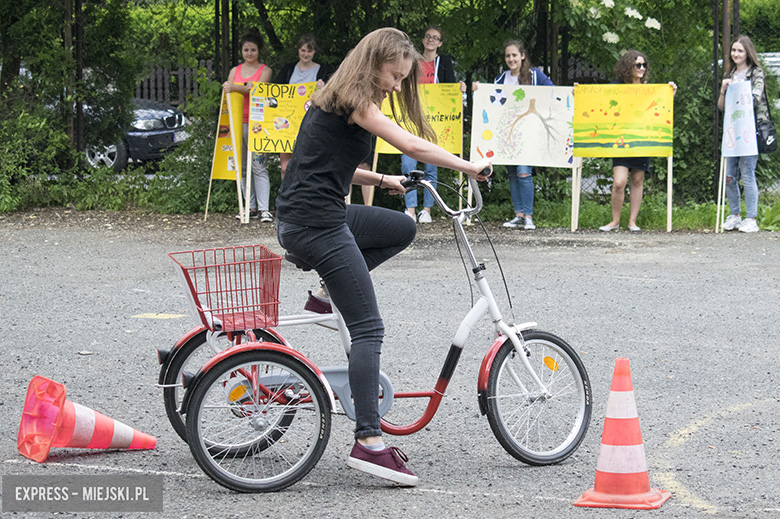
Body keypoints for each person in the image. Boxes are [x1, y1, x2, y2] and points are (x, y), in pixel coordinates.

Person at [275, 27, 491, 486]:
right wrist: (469, 165)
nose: (396, 86)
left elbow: (325, 164)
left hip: (310, 215)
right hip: (316, 225)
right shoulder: (356, 101)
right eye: (394, 76)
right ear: (373, 64)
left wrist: (381, 181)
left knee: (402, 226)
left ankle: (321, 293)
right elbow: (411, 146)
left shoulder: (330, 97)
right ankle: (369, 441)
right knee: (369, 327)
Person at [475, 39, 552, 230]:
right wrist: (477, 90)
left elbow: (553, 91)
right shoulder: (500, 80)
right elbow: (490, 102)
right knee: (512, 174)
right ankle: (518, 215)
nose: (511, 59)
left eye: (514, 55)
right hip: (507, 133)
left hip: (529, 133)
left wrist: (573, 92)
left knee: (524, 172)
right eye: (508, 55)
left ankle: (528, 217)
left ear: (522, 56)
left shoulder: (535, 76)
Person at [599, 50, 677, 232]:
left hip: (642, 139)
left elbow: (659, 109)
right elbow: (599, 102)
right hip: (621, 141)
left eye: (644, 65)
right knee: (619, 182)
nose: (642, 68)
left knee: (637, 179)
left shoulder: (649, 89)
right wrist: (578, 93)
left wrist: (669, 93)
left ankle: (632, 222)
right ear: (628, 67)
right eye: (638, 65)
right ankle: (615, 221)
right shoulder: (616, 87)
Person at [401, 25, 465, 224]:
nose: (430, 40)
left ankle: (427, 210)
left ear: (440, 43)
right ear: (422, 40)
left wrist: (459, 89)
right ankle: (410, 208)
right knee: (407, 163)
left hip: (434, 122)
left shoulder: (443, 62)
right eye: (428, 36)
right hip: (412, 118)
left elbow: (450, 90)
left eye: (435, 38)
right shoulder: (412, 62)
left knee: (431, 166)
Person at [717, 35, 768, 233]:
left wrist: (739, 91)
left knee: (747, 173)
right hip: (732, 131)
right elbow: (722, 107)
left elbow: (755, 98)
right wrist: (723, 89)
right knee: (729, 176)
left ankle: (751, 218)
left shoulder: (756, 73)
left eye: (740, 50)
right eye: (733, 50)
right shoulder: (730, 74)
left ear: (747, 52)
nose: (735, 54)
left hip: (749, 130)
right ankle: (735, 215)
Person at [223, 28, 274, 222]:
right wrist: (242, 88)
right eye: (246, 50)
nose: (249, 53)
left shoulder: (265, 71)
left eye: (253, 50)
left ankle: (264, 209)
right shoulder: (234, 71)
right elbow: (229, 93)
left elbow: (255, 91)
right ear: (241, 51)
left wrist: (237, 88)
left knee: (259, 166)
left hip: (258, 125)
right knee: (243, 167)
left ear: (258, 50)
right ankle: (249, 206)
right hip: (237, 123)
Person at [274, 34, 331, 179]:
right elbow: (275, 92)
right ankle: (285, 196)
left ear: (314, 52)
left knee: (308, 163)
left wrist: (323, 88)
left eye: (309, 51)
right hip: (286, 123)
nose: (306, 54)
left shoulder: (323, 71)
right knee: (285, 167)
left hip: (310, 122)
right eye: (303, 50)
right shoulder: (287, 69)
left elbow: (329, 96)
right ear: (298, 50)